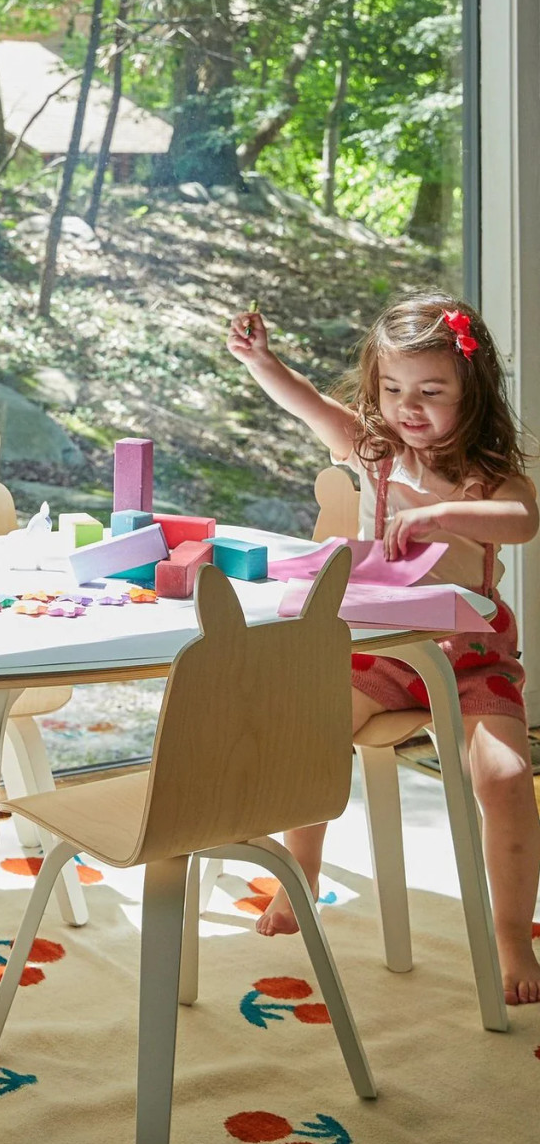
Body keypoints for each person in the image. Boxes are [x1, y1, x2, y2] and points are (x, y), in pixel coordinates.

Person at [226, 291, 540, 1005]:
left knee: (505, 778)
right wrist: (260, 360)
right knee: (311, 733)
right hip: (382, 654)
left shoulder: (488, 473)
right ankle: (300, 872)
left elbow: (522, 520)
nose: (409, 407)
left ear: (473, 392)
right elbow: (307, 405)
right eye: (393, 389)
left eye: (432, 392)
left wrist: (441, 514)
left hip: (472, 658)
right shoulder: (374, 454)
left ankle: (513, 934)